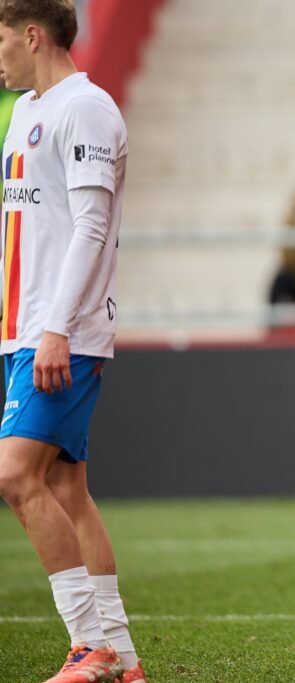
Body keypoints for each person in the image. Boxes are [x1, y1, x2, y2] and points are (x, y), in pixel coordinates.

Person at [0, 2, 144, 682]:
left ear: (33, 34)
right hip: (25, 330)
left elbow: (90, 226)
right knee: (66, 487)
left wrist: (55, 327)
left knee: (14, 474)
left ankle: (91, 644)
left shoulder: (84, 108)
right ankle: (124, 653)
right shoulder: (28, 109)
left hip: (61, 331)